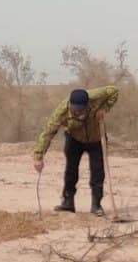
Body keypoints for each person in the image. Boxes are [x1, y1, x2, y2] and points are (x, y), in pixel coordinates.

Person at [32, 86, 120, 216]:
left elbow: (114, 91)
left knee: (98, 172)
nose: (79, 113)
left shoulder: (95, 97)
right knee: (71, 171)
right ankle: (68, 202)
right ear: (71, 106)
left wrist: (104, 109)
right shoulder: (61, 111)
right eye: (76, 110)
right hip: (74, 139)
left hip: (96, 139)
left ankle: (96, 205)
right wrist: (38, 156)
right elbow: (48, 133)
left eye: (82, 110)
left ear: (87, 104)